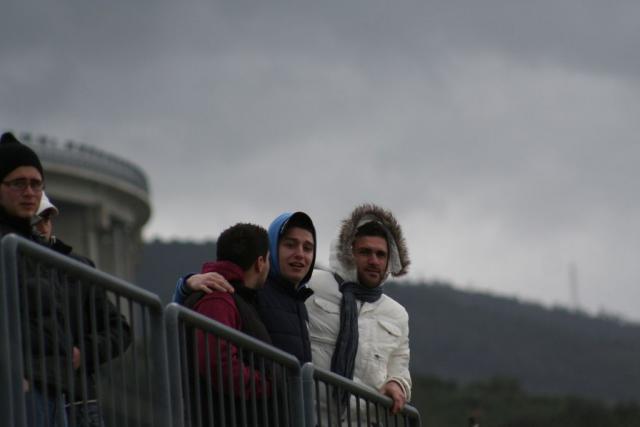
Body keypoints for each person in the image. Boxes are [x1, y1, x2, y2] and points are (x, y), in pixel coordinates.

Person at [32, 192, 132, 427]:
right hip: (29, 395)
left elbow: (119, 329)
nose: (42, 226)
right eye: (35, 220)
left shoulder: (78, 268)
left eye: (46, 218)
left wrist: (83, 353)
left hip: (78, 401)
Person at [306, 203, 412, 420]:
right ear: (347, 253)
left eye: (381, 254)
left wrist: (397, 384)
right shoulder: (311, 284)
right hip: (310, 417)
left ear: (389, 260)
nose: (374, 261)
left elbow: (400, 368)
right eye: (365, 252)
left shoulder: (397, 314)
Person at [174, 211, 316, 363]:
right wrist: (185, 287)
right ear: (271, 250)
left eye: (308, 248)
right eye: (290, 245)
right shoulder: (252, 288)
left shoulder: (301, 302)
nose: (300, 254)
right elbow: (184, 316)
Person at [0, 131, 68, 426]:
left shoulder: (37, 249)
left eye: (36, 184)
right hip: (19, 386)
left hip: (51, 387)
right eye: (18, 183)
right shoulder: (8, 246)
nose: (29, 192)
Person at [182, 223, 271, 426]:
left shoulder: (235, 298)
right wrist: (266, 384)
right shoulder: (218, 300)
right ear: (260, 263)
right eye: (268, 260)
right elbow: (217, 362)